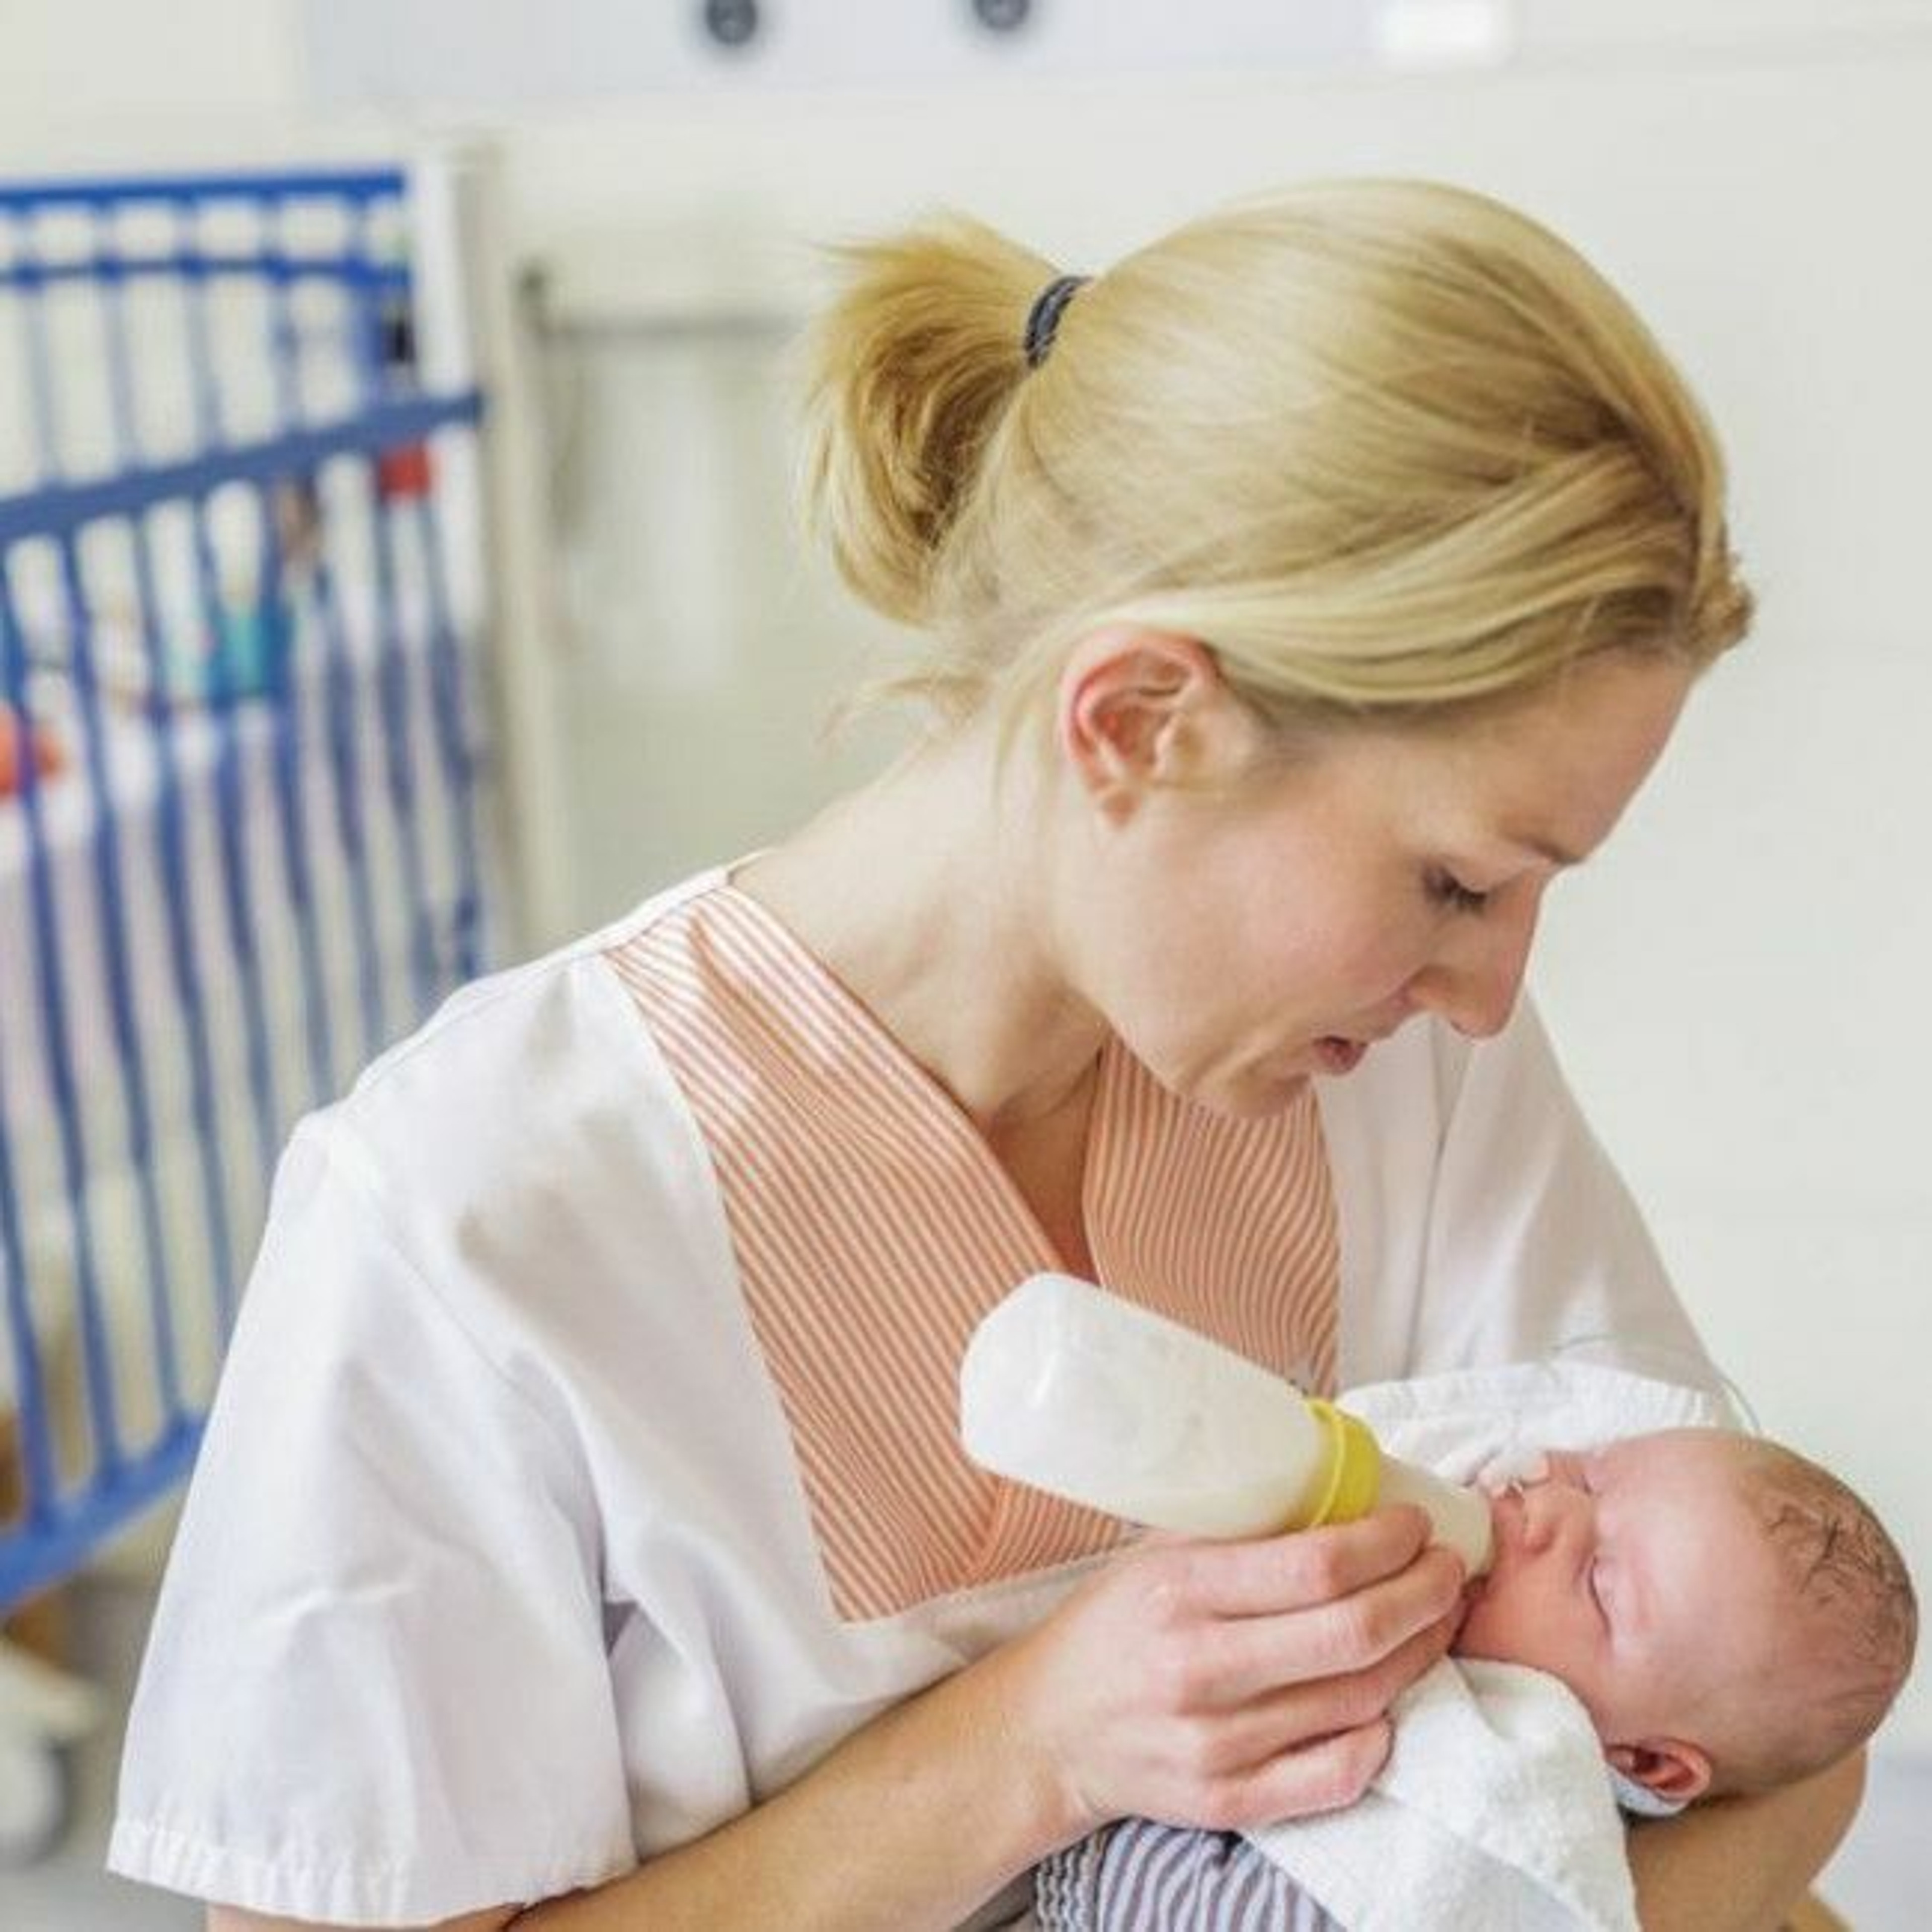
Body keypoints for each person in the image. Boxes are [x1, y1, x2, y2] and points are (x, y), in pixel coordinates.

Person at [110, 180, 1862, 1932]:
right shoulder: (473, 1214)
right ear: (1138, 721)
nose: (1487, 995)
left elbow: (1788, 1720)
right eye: (1457, 883)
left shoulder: (1400, 1071)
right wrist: (1033, 1751)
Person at [1035, 1406, 1918, 1929]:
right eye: (1595, 1473)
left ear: (1644, 1764)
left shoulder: (1504, 1825)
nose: (1544, 1511)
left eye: (1598, 1582)